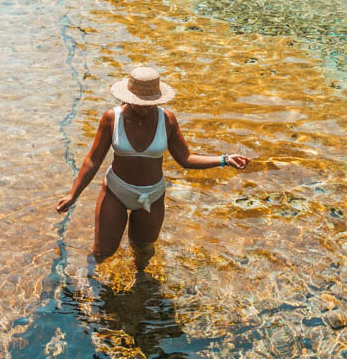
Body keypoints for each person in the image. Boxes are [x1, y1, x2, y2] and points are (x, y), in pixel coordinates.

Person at [56, 65, 249, 264]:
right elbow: (93, 159)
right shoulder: (112, 118)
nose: (144, 107)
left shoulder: (167, 120)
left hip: (153, 194)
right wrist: (73, 194)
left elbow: (186, 159)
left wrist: (224, 160)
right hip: (116, 190)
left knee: (143, 251)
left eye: (149, 103)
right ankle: (91, 284)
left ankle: (141, 287)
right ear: (128, 97)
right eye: (138, 103)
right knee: (102, 252)